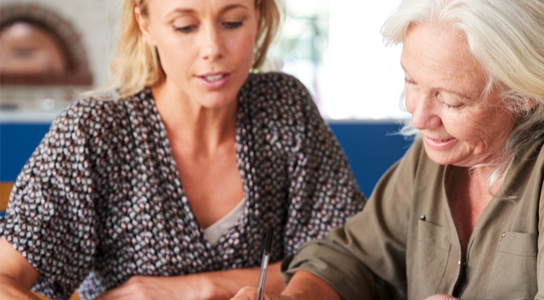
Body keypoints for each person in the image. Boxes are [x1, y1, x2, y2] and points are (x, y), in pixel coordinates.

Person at [231, 0, 544, 299]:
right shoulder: (442, 152)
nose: (419, 116)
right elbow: (351, 257)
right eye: (410, 81)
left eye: (451, 99)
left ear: (527, 93)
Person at [0, 0, 365, 299]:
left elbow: (353, 261)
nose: (213, 50)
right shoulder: (93, 133)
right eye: (185, 27)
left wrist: (196, 288)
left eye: (233, 22)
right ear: (145, 23)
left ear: (258, 13)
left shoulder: (285, 108)